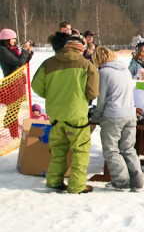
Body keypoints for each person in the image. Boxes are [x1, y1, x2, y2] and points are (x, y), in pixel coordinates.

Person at [31, 33, 99, 194]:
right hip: (76, 114)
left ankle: (54, 180)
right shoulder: (87, 65)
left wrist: (53, 95)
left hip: (55, 114)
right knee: (80, 150)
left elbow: (36, 86)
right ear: (81, 50)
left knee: (58, 150)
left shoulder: (48, 64)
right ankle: (76, 185)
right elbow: (93, 92)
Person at [91, 46, 144, 192]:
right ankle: (137, 181)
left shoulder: (104, 72)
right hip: (130, 113)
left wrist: (96, 117)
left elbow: (101, 99)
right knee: (128, 149)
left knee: (111, 150)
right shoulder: (125, 70)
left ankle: (121, 182)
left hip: (113, 115)